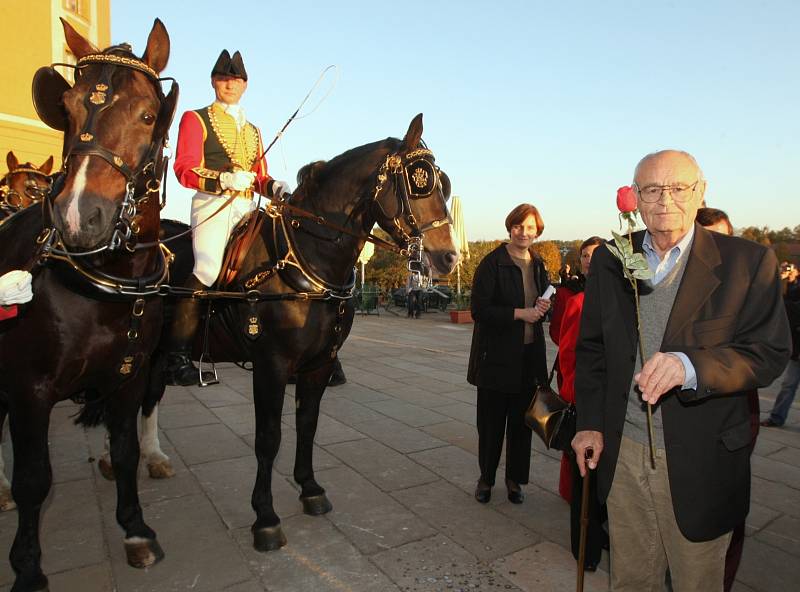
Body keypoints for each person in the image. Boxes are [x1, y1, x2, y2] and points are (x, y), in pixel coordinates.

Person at [572, 150, 791, 591]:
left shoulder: (747, 262)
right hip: (625, 453)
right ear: (635, 197)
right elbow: (593, 349)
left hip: (700, 458)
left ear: (701, 192)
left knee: (697, 582)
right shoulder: (613, 259)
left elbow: (768, 352)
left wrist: (690, 367)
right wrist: (590, 424)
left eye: (678, 188)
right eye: (651, 189)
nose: (664, 200)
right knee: (631, 580)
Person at [167, 50, 290, 386]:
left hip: (248, 207)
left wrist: (273, 185)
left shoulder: (254, 130)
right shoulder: (196, 118)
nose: (229, 85)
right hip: (212, 204)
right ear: (213, 82)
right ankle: (177, 355)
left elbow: (258, 176)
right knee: (206, 268)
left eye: (235, 80)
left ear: (245, 85)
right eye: (223, 79)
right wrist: (222, 179)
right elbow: (184, 168)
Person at [467, 203, 551, 504]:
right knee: (490, 426)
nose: (524, 232)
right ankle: (486, 479)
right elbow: (479, 310)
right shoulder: (493, 263)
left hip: (529, 358)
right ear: (510, 228)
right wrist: (520, 313)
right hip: (496, 359)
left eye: (530, 227)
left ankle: (515, 480)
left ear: (537, 231)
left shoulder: (539, 263)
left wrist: (542, 309)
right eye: (518, 226)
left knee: (521, 425)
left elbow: (540, 304)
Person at [695, 207, 758, 592]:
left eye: (724, 238)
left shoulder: (749, 284)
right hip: (681, 421)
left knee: (726, 510)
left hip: (732, 413)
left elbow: (761, 353)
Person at [550, 236, 607, 571]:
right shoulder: (577, 301)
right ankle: (584, 548)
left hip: (612, 404)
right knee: (585, 479)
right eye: (586, 255)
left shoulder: (621, 298)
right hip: (583, 402)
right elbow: (568, 355)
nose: (590, 260)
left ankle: (601, 534)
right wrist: (576, 398)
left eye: (597, 255)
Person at [761, 261, 800, 427]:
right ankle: (777, 417)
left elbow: (790, 306)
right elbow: (786, 301)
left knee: (788, 385)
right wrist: (788, 280)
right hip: (797, 347)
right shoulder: (794, 284)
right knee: (788, 385)